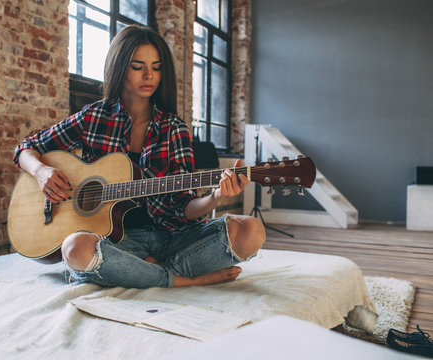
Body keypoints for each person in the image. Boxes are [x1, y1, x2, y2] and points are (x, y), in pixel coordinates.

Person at [13, 25, 266, 289]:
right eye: (138, 66)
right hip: (115, 243)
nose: (149, 75)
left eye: (156, 67)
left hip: (170, 237)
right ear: (120, 66)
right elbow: (26, 148)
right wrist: (41, 172)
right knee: (75, 247)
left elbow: (185, 207)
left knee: (251, 231)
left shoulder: (174, 128)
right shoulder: (94, 117)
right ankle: (180, 279)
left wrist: (215, 197)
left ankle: (136, 271)